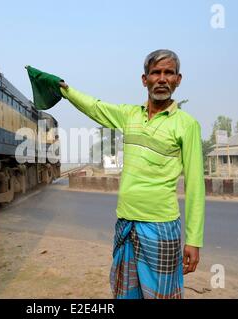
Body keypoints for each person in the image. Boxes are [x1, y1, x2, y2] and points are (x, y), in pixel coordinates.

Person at [29, 49, 205, 299]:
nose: (162, 78)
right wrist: (63, 89)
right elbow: (94, 107)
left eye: (169, 73)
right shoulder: (130, 115)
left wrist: (194, 240)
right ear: (145, 79)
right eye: (156, 72)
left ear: (178, 79)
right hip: (125, 223)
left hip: (162, 227)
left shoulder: (187, 124)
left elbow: (196, 186)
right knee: (125, 293)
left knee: (162, 295)